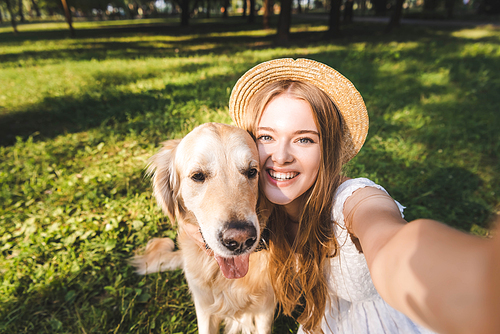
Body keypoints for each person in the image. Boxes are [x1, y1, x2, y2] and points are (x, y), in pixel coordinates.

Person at [187, 58, 500, 333]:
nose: (280, 156)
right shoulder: (260, 205)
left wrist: (469, 283)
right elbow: (200, 213)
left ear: (328, 150)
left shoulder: (354, 200)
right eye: (267, 136)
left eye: (304, 140)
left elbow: (392, 242)